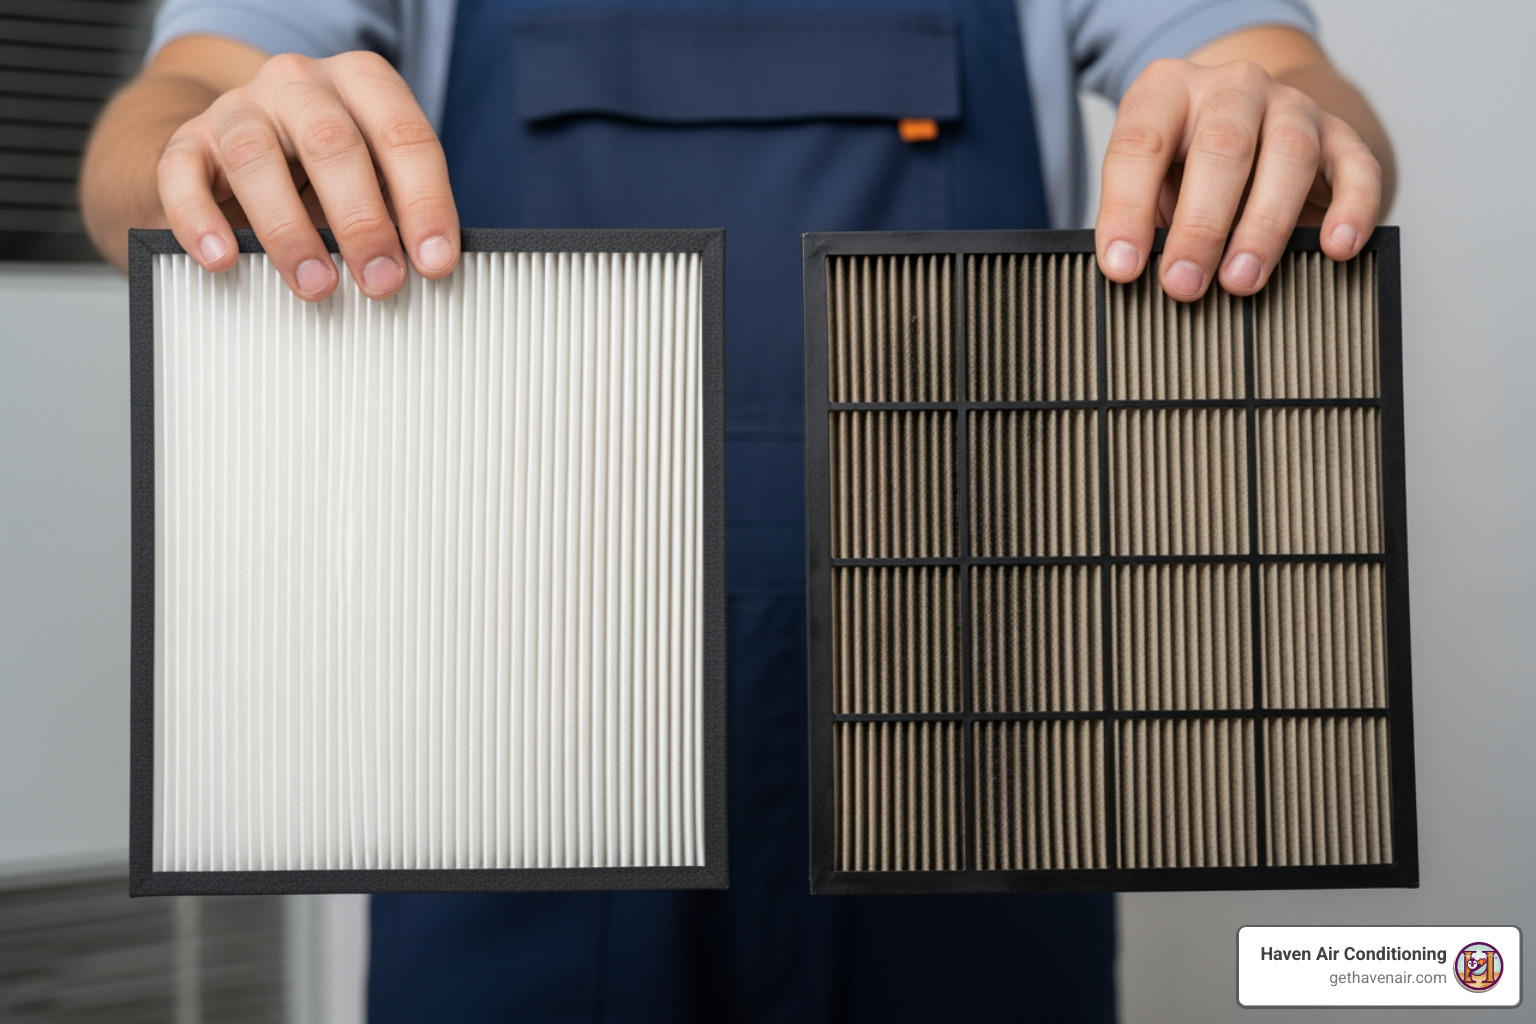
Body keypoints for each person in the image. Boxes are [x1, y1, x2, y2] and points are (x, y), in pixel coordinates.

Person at [81, 2, 1394, 1020]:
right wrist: (209, 148)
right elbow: (157, 124)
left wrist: (1277, 120)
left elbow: (1296, 81)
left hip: (971, 739)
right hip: (510, 737)